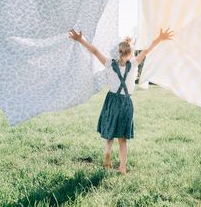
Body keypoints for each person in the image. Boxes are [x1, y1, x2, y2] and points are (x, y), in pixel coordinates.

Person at [68, 28, 174, 174]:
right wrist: (160, 38)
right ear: (130, 53)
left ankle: (107, 152)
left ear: (118, 52)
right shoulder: (134, 64)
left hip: (112, 101)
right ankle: (122, 167)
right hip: (125, 103)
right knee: (123, 139)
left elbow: (95, 51)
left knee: (110, 133)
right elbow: (147, 50)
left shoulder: (109, 63)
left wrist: (81, 39)